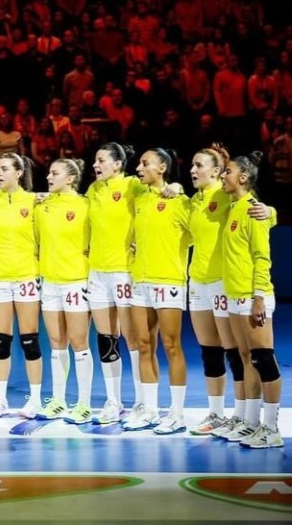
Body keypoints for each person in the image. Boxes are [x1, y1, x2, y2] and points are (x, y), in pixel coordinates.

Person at [85, 143, 179, 423]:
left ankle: (141, 401)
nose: (96, 165)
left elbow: (160, 190)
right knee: (106, 339)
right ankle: (113, 402)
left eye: (101, 160)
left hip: (125, 271)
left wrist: (176, 187)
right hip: (97, 273)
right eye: (95, 160)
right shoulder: (93, 190)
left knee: (135, 339)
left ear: (117, 164)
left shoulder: (132, 185)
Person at [187, 146, 274, 436]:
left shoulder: (226, 195)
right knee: (209, 352)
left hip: (223, 282)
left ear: (216, 171)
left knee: (235, 353)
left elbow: (256, 211)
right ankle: (216, 413)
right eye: (192, 165)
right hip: (197, 282)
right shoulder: (192, 201)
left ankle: (241, 414)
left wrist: (270, 211)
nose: (192, 170)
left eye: (199, 165)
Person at [123, 149, 191, 434]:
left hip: (168, 281)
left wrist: (178, 187)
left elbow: (198, 233)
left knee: (171, 345)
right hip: (141, 281)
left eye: (145, 163)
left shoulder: (180, 201)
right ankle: (149, 409)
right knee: (143, 345)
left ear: (162, 167)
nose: (139, 168)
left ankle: (177, 414)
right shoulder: (138, 198)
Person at [220, 152, 283, 448]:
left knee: (263, 360)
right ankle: (251, 421)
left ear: (243, 177)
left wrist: (259, 298)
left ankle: (271, 429)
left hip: (252, 296)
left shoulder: (253, 211)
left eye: (228, 171)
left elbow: (262, 257)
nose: (223, 176)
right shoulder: (233, 207)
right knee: (246, 359)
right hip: (235, 296)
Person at [0, 154, 42, 418]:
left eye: (5, 169)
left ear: (18, 172)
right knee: (1, 340)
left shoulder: (34, 201)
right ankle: (0, 399)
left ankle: (35, 400)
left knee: (30, 340)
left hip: (27, 275)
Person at [34, 159, 93, 423]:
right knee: (57, 344)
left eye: (55, 173)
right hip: (50, 282)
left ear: (70, 178)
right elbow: (37, 242)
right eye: (49, 172)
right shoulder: (41, 207)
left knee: (79, 344)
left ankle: (84, 403)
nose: (49, 177)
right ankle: (58, 401)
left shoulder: (85, 205)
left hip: (76, 280)